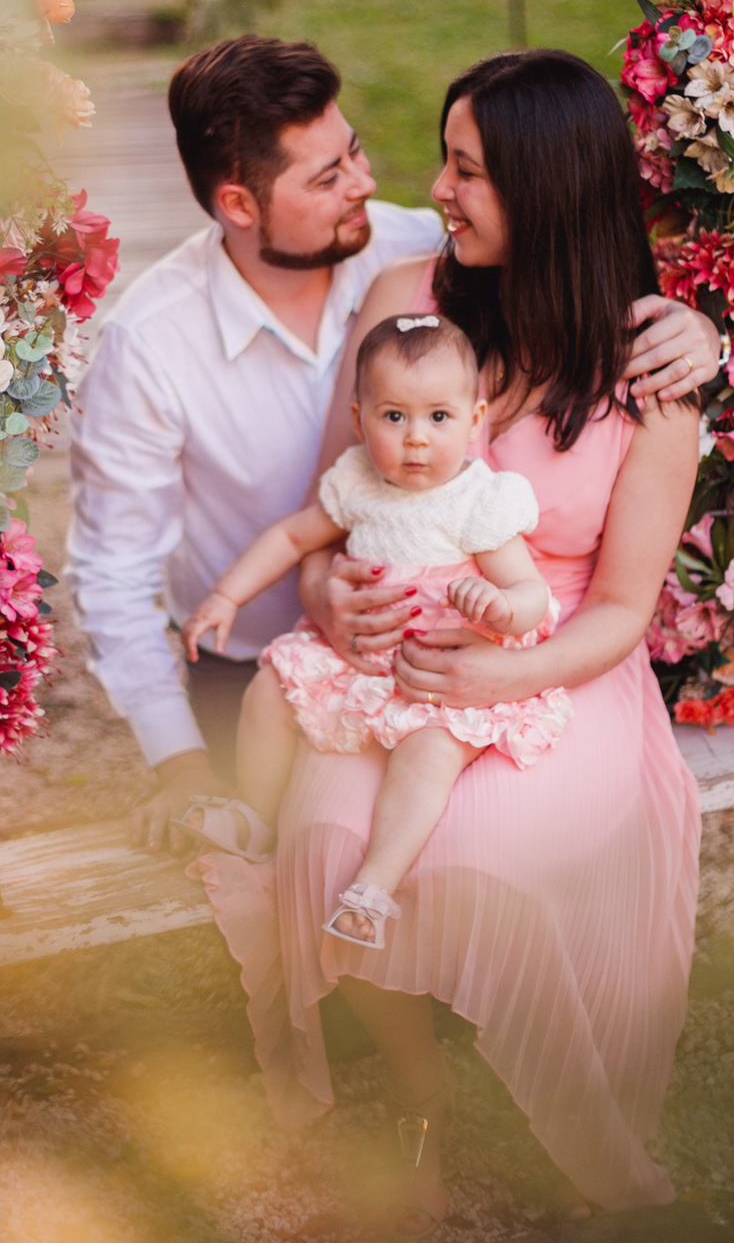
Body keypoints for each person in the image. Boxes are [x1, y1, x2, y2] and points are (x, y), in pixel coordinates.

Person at [194, 51, 703, 1229]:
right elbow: (332, 508)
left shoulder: (652, 371)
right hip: (396, 663)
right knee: (327, 843)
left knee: (482, 862)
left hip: (557, 667)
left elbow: (625, 611)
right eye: (446, 160)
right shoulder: (406, 305)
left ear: (549, 184)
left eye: (468, 170)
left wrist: (506, 669)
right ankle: (417, 1100)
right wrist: (326, 599)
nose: (442, 187)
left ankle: (585, 1127)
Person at [67, 34, 718, 855]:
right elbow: (114, 576)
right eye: (329, 177)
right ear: (240, 206)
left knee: (472, 844)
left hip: (476, 645)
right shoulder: (151, 348)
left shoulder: (406, 249)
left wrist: (701, 332)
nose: (370, 186)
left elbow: (568, 248)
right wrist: (183, 763)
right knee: (324, 839)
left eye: (357, 152)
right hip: (261, 659)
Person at [177, 313, 566, 949]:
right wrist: (225, 595)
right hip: (360, 659)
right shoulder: (357, 481)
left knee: (429, 756)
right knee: (266, 692)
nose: (416, 439)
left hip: (436, 673)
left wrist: (497, 605)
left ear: (474, 421)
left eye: (439, 417)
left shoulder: (478, 501)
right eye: (395, 417)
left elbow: (532, 596)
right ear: (359, 420)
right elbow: (291, 536)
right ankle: (257, 814)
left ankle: (374, 886)